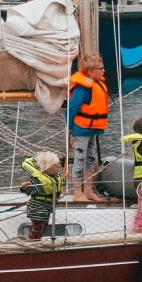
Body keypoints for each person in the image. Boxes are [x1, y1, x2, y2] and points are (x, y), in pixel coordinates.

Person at [66, 53, 110, 203]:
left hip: (92, 130)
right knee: (79, 160)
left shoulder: (96, 85)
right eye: (100, 68)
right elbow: (71, 108)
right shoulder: (83, 89)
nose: (103, 70)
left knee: (90, 159)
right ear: (90, 72)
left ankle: (89, 190)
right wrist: (70, 127)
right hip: (81, 129)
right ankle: (77, 192)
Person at [19, 150, 62, 238]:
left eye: (58, 166)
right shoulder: (37, 179)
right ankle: (33, 242)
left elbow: (60, 185)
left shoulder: (55, 177)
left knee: (44, 226)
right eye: (55, 167)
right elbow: (28, 191)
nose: (57, 169)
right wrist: (24, 187)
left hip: (47, 207)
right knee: (37, 227)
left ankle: (37, 239)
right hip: (37, 207)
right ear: (47, 167)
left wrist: (66, 177)